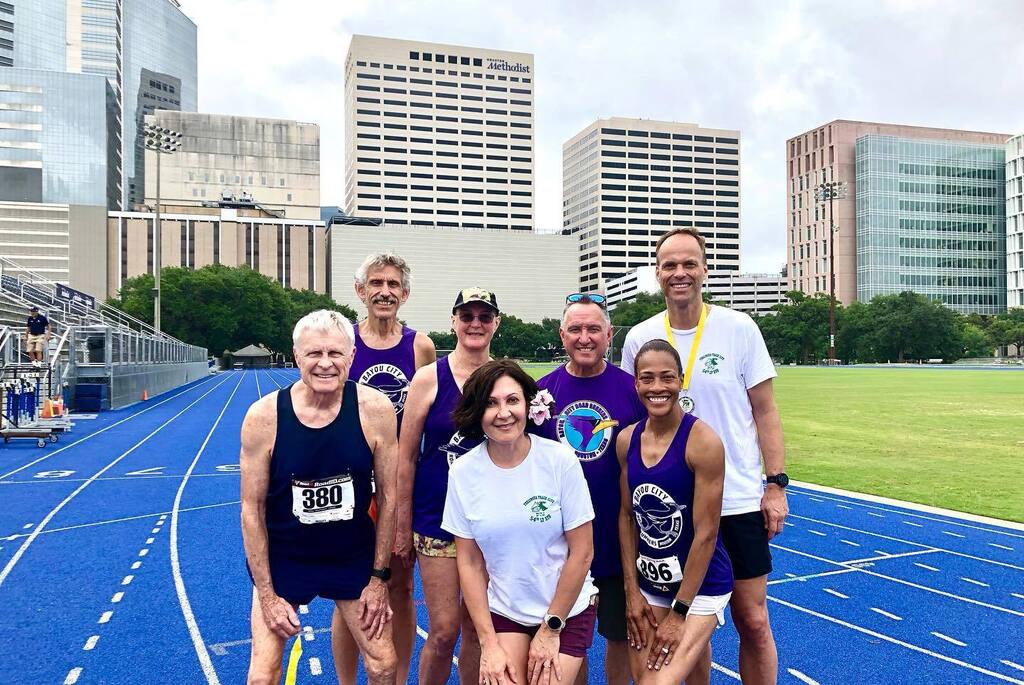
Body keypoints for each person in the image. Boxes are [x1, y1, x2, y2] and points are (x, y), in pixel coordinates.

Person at [620, 228, 788, 685]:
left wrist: (775, 484)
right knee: (687, 625)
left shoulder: (739, 328)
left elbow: (765, 409)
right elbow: (636, 418)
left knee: (751, 620)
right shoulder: (640, 336)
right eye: (670, 265)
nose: (680, 273)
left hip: (735, 500)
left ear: (704, 269)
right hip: (672, 506)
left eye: (689, 263)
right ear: (657, 274)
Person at [240, 310, 398, 685]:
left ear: (352, 357)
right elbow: (252, 509)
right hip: (286, 559)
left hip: (351, 557)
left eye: (335, 353)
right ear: (296, 356)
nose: (325, 364)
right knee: (262, 675)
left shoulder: (375, 409)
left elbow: (390, 498)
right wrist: (266, 593)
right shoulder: (263, 417)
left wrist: (378, 579)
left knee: (384, 665)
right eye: (314, 354)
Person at [444, 360, 598, 685]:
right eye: (490, 403)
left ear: (528, 404)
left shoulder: (560, 461)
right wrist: (488, 644)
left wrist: (551, 628)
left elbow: (582, 552)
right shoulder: (462, 473)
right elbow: (469, 563)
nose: (503, 413)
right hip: (507, 611)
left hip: (565, 610)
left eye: (512, 400)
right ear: (476, 412)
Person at [530, 293, 646, 685]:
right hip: (558, 543)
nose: (584, 337)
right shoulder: (539, 392)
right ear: (561, 335)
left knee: (620, 635)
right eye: (575, 329)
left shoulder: (633, 391)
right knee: (567, 640)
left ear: (609, 334)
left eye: (593, 329)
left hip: (617, 539)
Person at [332, 252, 436, 685]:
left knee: (401, 586)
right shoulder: (345, 343)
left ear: (406, 293)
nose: (385, 292)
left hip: (398, 483)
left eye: (394, 284)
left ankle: (397, 678)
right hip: (352, 483)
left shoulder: (420, 346)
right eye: (376, 283)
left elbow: (429, 411)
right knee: (348, 593)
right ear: (360, 291)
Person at [397, 288, 501, 685]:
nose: (475, 324)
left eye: (484, 316)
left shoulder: (505, 377)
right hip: (436, 522)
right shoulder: (428, 379)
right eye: (467, 315)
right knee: (443, 632)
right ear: (454, 321)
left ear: (496, 323)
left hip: (490, 524)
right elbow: (406, 457)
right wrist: (401, 526)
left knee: (479, 628)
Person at [618, 340, 733, 684]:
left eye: (667, 378)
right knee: (645, 677)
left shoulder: (703, 443)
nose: (657, 388)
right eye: (647, 378)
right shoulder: (627, 441)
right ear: (636, 383)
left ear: (681, 380)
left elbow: (707, 533)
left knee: (657, 682)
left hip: (701, 586)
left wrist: (679, 613)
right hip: (651, 582)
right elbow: (627, 517)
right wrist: (632, 592)